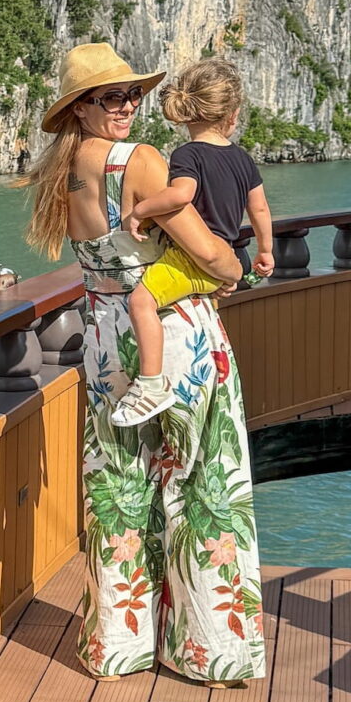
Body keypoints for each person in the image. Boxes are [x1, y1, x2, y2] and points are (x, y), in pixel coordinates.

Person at [18, 42, 267, 685]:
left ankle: (118, 644)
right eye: (111, 96)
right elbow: (210, 255)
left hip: (104, 337)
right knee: (202, 479)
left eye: (133, 94)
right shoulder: (143, 161)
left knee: (118, 485)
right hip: (175, 337)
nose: (127, 105)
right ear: (81, 106)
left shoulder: (66, 167)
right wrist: (234, 267)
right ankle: (210, 647)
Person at [111, 57, 274, 427]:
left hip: (193, 259)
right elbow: (260, 210)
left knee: (141, 301)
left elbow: (181, 196)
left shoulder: (188, 154)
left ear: (187, 113)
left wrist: (141, 211)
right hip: (233, 256)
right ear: (232, 115)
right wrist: (265, 251)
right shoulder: (242, 158)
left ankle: (151, 384)